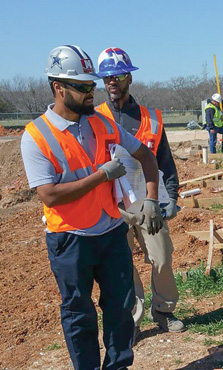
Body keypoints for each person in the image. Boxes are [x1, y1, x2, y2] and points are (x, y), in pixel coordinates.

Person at [20, 45, 163, 370]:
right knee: (79, 313)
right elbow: (50, 196)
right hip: (70, 240)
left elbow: (147, 156)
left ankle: (118, 365)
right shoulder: (36, 136)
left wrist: (152, 198)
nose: (92, 92)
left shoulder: (101, 122)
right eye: (84, 87)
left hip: (111, 233)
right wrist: (102, 176)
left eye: (92, 85)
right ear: (59, 88)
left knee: (120, 307)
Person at [95, 47, 185, 338]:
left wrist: (170, 197)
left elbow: (165, 162)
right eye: (107, 77)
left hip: (149, 203)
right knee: (123, 267)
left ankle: (163, 310)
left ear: (129, 79)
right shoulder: (95, 119)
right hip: (113, 207)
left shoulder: (151, 119)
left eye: (118, 76)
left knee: (161, 257)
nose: (112, 82)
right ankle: (131, 321)